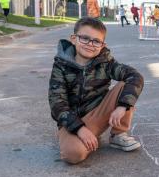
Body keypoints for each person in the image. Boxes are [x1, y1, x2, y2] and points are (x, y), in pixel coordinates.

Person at [48, 17, 144, 164]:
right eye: (84, 38)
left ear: (102, 44)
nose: (90, 44)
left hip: (99, 114)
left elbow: (135, 76)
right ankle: (87, 136)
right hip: (72, 121)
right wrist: (80, 129)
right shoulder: (61, 65)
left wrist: (122, 106)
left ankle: (118, 135)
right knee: (73, 155)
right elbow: (57, 104)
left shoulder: (105, 62)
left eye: (96, 41)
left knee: (128, 83)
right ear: (73, 39)